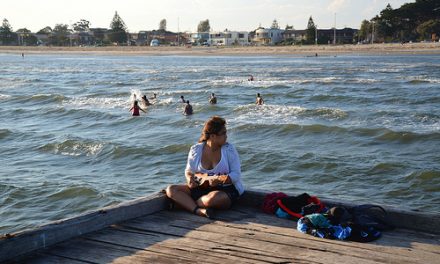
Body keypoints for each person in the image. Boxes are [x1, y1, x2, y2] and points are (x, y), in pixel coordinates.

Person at [166, 116, 244, 218]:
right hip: (201, 187)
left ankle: (187, 204)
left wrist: (220, 180)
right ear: (212, 136)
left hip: (225, 190)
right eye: (223, 133)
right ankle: (198, 210)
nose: (226, 136)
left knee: (214, 198)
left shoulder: (229, 149)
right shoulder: (196, 149)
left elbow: (236, 175)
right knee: (171, 189)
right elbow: (189, 171)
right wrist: (190, 179)